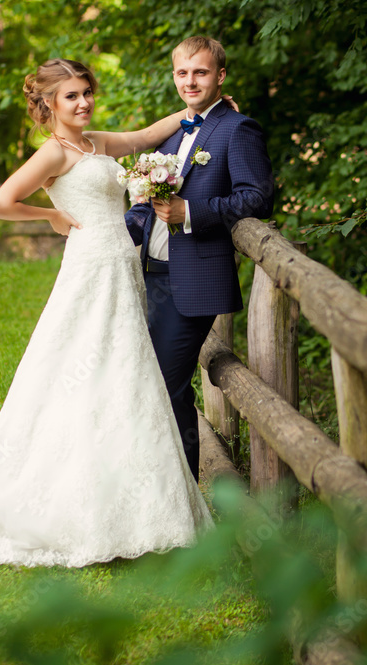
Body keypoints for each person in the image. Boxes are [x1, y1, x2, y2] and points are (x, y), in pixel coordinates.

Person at [0, 58, 219, 568]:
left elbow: (145, 135)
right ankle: (65, 504)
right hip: (90, 268)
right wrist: (50, 213)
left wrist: (197, 111)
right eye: (71, 96)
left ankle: (135, 505)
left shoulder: (95, 142)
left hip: (121, 268)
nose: (83, 103)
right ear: (49, 104)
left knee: (122, 373)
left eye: (87, 93)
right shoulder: (54, 152)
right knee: (82, 366)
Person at [125, 36, 274, 481]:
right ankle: (156, 485)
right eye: (182, 73)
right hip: (150, 275)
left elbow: (258, 197)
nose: (191, 81)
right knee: (151, 383)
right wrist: (112, 232)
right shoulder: (172, 133)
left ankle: (184, 491)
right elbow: (144, 203)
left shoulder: (237, 129)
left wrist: (191, 211)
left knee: (167, 386)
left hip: (195, 281)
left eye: (201, 72)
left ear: (220, 76)